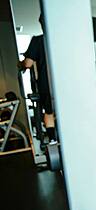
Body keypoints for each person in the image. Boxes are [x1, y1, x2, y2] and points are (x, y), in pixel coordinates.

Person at [18, 14, 56, 142]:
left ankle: (52, 139)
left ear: (42, 24)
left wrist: (20, 63)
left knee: (49, 113)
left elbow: (28, 63)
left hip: (47, 84)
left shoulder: (38, 40)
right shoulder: (62, 39)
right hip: (65, 81)